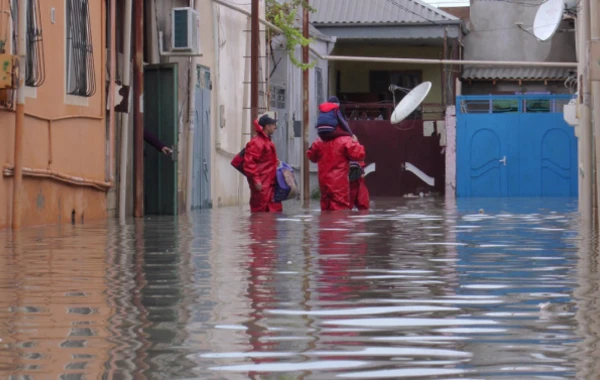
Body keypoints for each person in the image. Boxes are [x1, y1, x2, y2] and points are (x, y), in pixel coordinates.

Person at [307, 134, 365, 211]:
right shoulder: (346, 140)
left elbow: (311, 156)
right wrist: (355, 142)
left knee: (325, 210)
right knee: (339, 213)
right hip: (339, 186)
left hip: (324, 184)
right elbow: (359, 154)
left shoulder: (319, 142)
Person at [243, 114, 283, 213]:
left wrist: (275, 162)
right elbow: (249, 163)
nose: (275, 127)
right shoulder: (257, 142)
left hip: (269, 184)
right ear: (266, 126)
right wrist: (257, 181)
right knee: (260, 211)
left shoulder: (266, 141)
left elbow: (264, 160)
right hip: (262, 185)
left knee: (274, 210)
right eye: (273, 124)